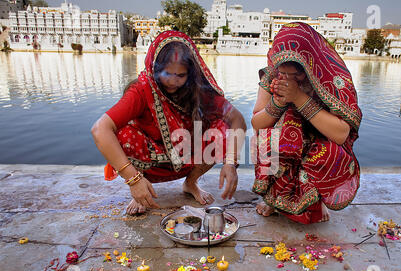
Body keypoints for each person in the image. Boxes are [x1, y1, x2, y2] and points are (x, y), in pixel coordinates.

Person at [91, 30, 246, 215]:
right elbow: (100, 129)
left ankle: (190, 183)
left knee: (221, 129)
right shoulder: (141, 90)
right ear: (155, 68)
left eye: (180, 75)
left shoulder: (198, 90)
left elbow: (237, 119)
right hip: (152, 158)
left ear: (190, 73)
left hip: (187, 154)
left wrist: (231, 162)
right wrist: (133, 180)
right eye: (166, 74)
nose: (173, 81)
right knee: (123, 135)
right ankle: (141, 190)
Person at [251, 22, 362, 224]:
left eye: (296, 75)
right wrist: (277, 102)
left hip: (318, 144)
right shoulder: (272, 76)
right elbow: (257, 123)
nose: (286, 78)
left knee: (331, 151)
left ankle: (317, 200)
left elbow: (341, 134)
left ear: (311, 64)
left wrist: (300, 98)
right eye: (282, 73)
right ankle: (273, 198)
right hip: (286, 145)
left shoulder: (330, 77)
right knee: (267, 139)